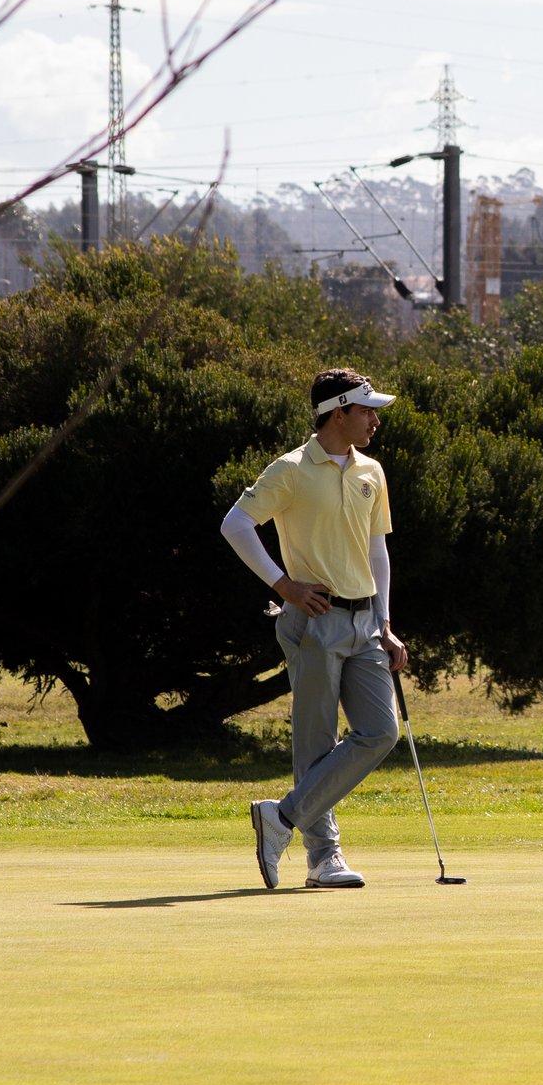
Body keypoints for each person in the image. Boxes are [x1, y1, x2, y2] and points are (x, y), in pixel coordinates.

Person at [220, 367, 409, 890]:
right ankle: (325, 859)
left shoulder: (371, 470)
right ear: (338, 412)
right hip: (314, 618)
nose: (375, 419)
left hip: (365, 620)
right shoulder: (292, 469)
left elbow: (378, 551)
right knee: (316, 743)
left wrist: (386, 624)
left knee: (380, 731)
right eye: (367, 410)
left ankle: (279, 818)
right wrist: (284, 586)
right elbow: (235, 524)